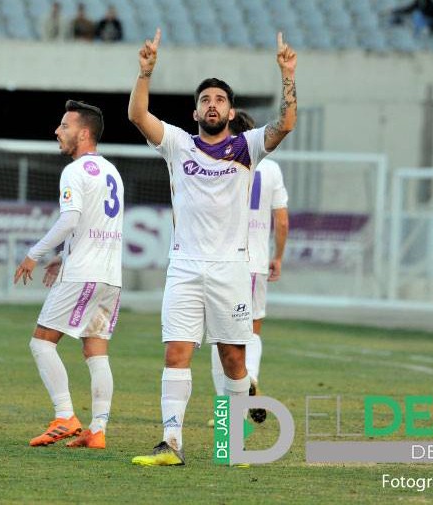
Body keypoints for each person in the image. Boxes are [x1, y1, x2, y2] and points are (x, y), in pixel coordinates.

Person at [128, 29, 296, 466]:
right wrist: (145, 73)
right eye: (205, 99)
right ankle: (171, 442)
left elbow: (286, 124)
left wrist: (287, 76)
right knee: (176, 352)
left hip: (231, 269)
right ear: (196, 110)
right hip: (184, 266)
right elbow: (137, 115)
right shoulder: (178, 144)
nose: (213, 104)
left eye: (220, 99)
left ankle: (231, 441)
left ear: (231, 110)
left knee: (232, 357)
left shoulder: (246, 147)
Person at [14, 100, 122, 449]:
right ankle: (98, 430)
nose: (57, 131)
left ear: (84, 133)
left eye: (64, 125)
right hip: (109, 276)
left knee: (41, 341)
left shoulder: (74, 171)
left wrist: (35, 254)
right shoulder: (111, 171)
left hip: (84, 275)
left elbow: (71, 219)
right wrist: (64, 254)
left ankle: (65, 417)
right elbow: (93, 225)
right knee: (96, 350)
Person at [209, 110, 289, 424]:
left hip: (222, 261)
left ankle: (223, 411)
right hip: (255, 262)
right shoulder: (270, 169)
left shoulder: (217, 163)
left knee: (219, 337)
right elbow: (281, 220)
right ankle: (250, 377)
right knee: (251, 329)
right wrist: (278, 256)